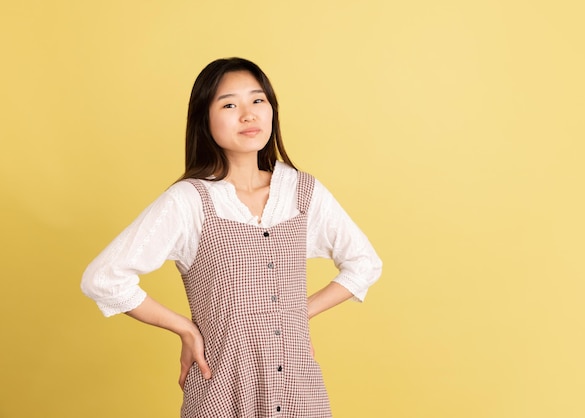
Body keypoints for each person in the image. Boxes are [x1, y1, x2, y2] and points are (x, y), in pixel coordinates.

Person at [81, 57, 382, 418]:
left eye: (258, 100)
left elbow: (364, 264)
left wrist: (297, 314)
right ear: (204, 120)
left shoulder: (302, 192)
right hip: (222, 389)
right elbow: (103, 279)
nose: (248, 114)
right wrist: (187, 330)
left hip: (301, 392)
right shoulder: (190, 201)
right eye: (229, 104)